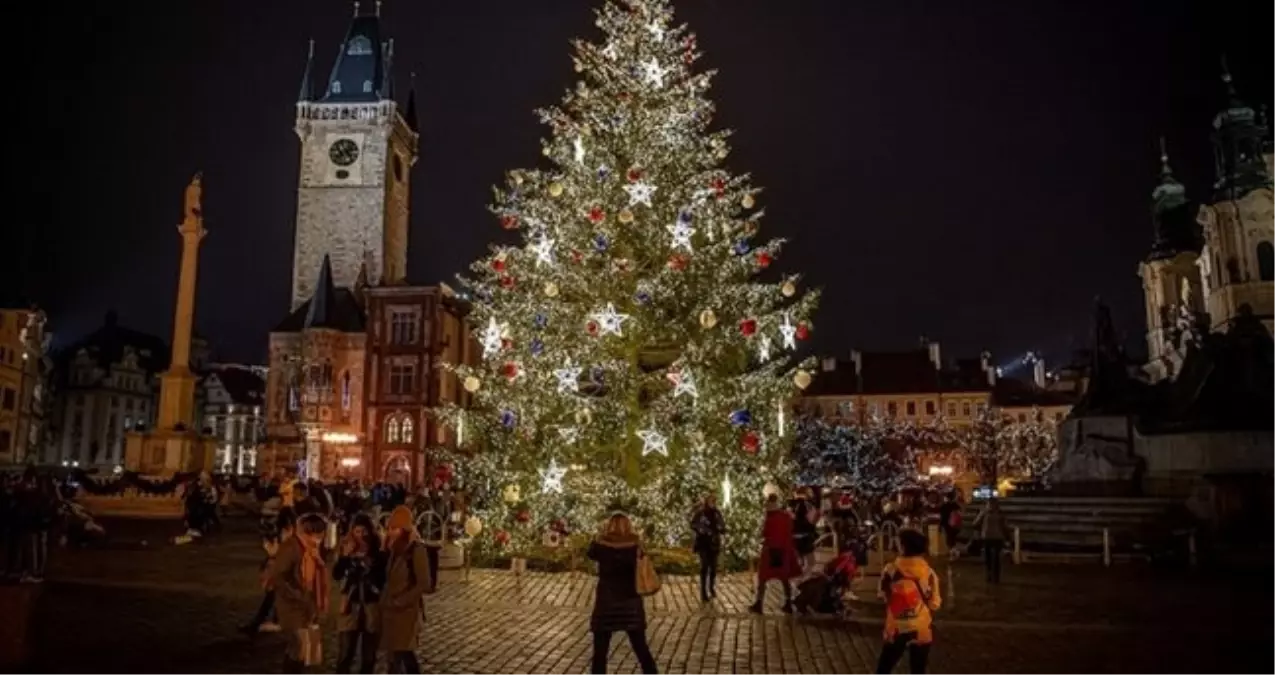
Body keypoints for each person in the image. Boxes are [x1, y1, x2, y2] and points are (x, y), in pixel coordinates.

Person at [587, 512, 659, 675]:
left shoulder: (601, 546)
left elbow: (590, 553)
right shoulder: (636, 546)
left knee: (600, 652)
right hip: (631, 602)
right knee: (641, 648)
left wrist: (599, 535)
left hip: (606, 603)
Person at [875, 528, 941, 675]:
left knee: (884, 669)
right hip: (921, 628)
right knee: (918, 670)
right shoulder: (929, 573)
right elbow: (935, 603)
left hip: (896, 628)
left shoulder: (890, 570)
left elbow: (882, 595)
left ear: (903, 546)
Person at [272, 513, 329, 675]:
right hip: (292, 605)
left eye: (321, 533)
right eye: (316, 533)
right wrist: (299, 595)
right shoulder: (292, 547)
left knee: (304, 648)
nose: (319, 537)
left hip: (307, 604)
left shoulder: (312, 549)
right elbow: (280, 577)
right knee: (299, 645)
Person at [379, 506, 432, 675]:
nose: (391, 532)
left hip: (406, 612)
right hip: (391, 610)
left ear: (405, 529)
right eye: (389, 528)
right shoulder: (393, 549)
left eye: (395, 529)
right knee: (400, 653)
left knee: (401, 653)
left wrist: (401, 601)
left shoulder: (416, 549)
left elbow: (424, 583)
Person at [333, 513, 385, 675]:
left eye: (364, 531)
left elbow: (383, 578)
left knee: (369, 656)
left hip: (372, 604)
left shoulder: (378, 550)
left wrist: (369, 568)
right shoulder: (346, 548)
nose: (361, 535)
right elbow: (337, 574)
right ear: (352, 532)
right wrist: (346, 558)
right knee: (346, 653)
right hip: (351, 604)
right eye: (357, 531)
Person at [749, 494, 801, 614]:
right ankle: (788, 602)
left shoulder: (770, 519)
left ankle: (759, 603)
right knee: (784, 578)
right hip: (784, 551)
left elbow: (765, 533)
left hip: (771, 551)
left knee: (763, 578)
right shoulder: (786, 517)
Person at [690, 494, 726, 602]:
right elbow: (693, 524)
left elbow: (722, 525)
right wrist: (702, 530)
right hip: (703, 543)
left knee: (713, 568)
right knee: (704, 566)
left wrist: (721, 529)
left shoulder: (717, 513)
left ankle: (711, 586)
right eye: (711, 501)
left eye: (714, 501)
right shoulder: (700, 513)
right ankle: (703, 591)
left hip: (714, 544)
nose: (713, 503)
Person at [972, 498, 1009, 583]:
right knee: (996, 558)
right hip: (998, 537)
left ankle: (989, 574)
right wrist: (1007, 537)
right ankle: (996, 576)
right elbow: (1005, 527)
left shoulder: (984, 512)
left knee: (988, 557)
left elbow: (975, 523)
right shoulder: (1000, 513)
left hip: (987, 537)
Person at [938, 491, 962, 555]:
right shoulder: (956, 505)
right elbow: (960, 515)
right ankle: (953, 551)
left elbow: (942, 517)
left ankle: (952, 551)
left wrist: (940, 526)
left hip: (947, 524)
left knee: (949, 538)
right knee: (952, 538)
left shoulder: (944, 506)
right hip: (955, 525)